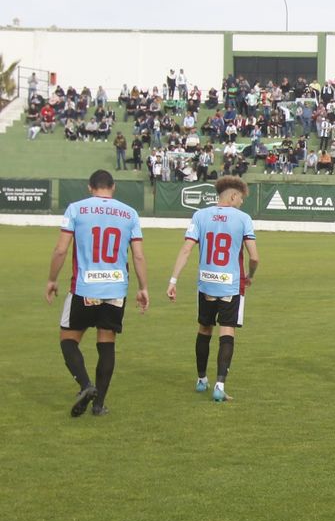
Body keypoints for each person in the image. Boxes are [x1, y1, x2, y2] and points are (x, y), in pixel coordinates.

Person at [44, 170, 149, 417]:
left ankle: (85, 385)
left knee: (68, 339)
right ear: (113, 187)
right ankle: (99, 404)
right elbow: (139, 255)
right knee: (107, 343)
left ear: (90, 187)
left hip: (84, 287)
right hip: (115, 289)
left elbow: (61, 250)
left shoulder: (76, 209)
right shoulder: (129, 213)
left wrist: (51, 279)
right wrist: (143, 288)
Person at [167, 175, 259, 403]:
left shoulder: (200, 215)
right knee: (227, 332)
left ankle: (201, 379)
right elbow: (254, 257)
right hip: (231, 284)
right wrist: (250, 276)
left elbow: (186, 250)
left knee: (204, 329)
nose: (241, 203)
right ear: (234, 196)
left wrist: (173, 280)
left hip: (206, 282)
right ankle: (219, 385)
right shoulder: (243, 218)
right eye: (241, 199)